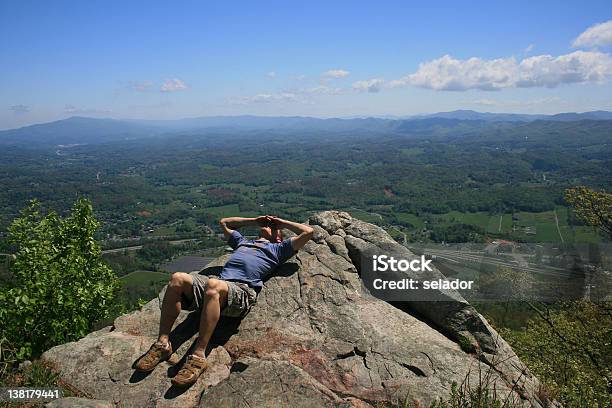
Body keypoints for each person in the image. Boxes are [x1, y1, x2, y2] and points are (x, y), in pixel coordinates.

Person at [133, 215, 314, 387]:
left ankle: (198, 356)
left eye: (274, 228)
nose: (269, 226)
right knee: (178, 278)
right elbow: (224, 222)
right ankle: (163, 343)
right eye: (267, 225)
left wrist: (281, 223)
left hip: (241, 292)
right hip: (218, 286)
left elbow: (308, 232)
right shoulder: (243, 242)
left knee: (213, 285)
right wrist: (254, 221)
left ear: (279, 238)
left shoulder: (279, 249)